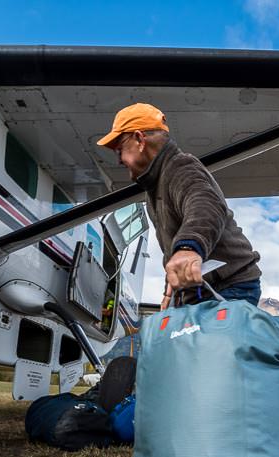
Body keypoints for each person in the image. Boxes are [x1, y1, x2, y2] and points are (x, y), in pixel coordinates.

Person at [97, 103, 262, 309]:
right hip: (202, 290)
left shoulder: (181, 166)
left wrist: (188, 248)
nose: (120, 160)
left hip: (227, 287)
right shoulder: (155, 186)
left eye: (120, 149)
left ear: (139, 139)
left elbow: (205, 204)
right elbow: (172, 249)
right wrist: (172, 292)